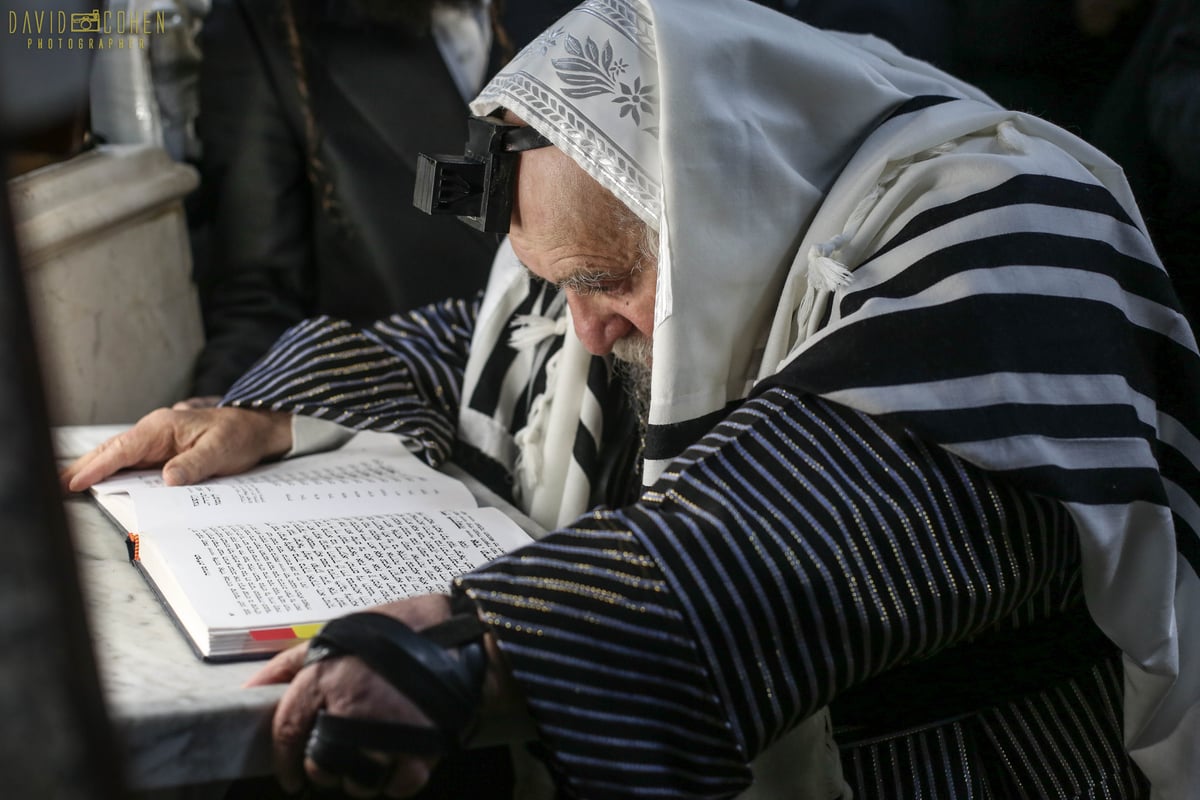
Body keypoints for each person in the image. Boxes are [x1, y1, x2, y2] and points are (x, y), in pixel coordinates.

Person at [63, 0, 1200, 798]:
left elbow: (829, 524)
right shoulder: (655, 221)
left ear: (726, 207)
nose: (587, 329)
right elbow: (490, 340)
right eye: (567, 286)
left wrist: (480, 634)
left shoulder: (1007, 223)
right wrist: (273, 407)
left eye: (610, 283)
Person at [184, 0, 580, 403]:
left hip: (591, 387)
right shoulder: (272, 21)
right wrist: (225, 405)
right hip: (399, 409)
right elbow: (260, 290)